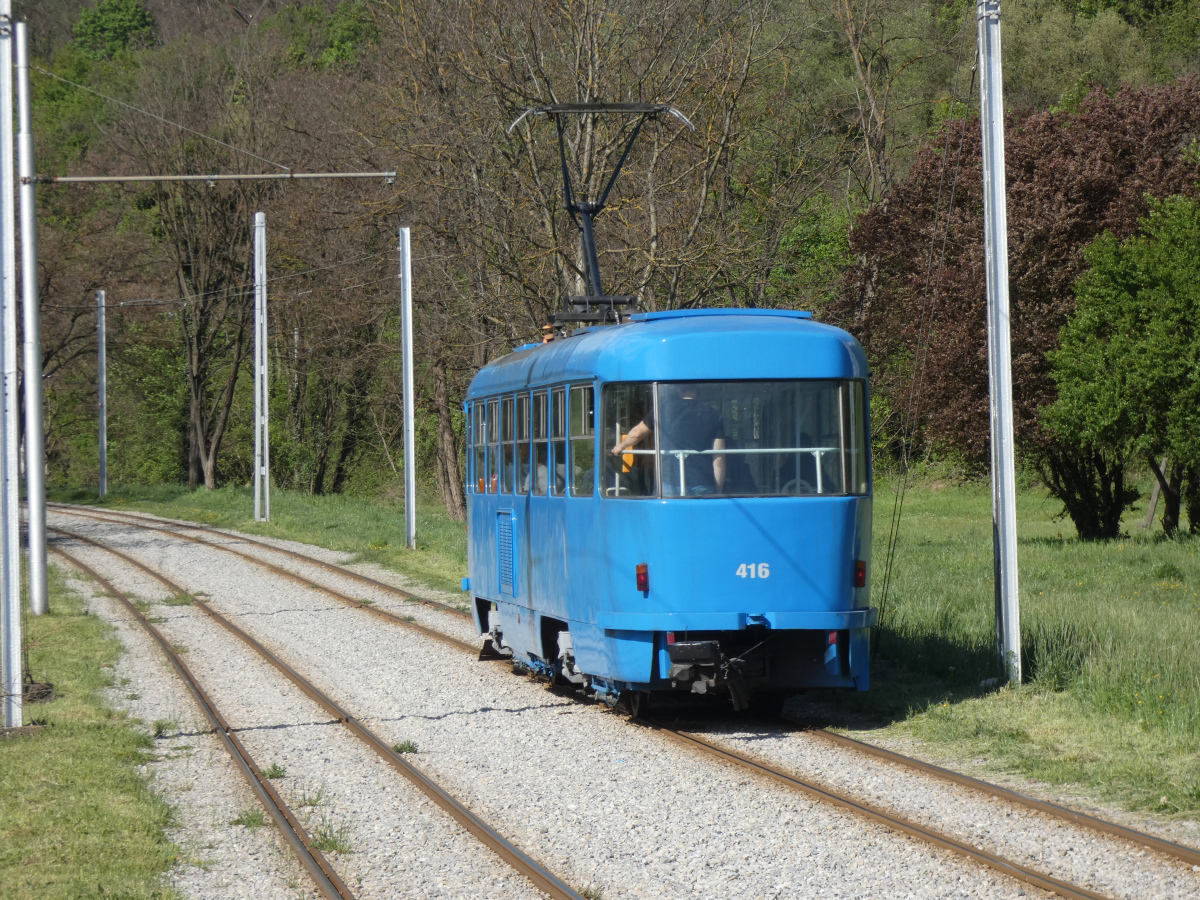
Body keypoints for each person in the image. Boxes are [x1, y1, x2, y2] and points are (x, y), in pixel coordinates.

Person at [611, 385, 725, 495]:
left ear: (678, 389)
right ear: (697, 389)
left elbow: (636, 434)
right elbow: (719, 459)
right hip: (702, 481)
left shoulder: (662, 409)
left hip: (670, 480)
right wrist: (718, 491)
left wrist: (620, 447)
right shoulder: (713, 415)